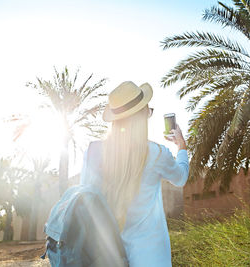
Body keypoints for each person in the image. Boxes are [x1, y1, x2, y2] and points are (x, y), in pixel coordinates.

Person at [79, 81, 189, 267]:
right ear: (142, 116)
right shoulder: (155, 154)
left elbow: (85, 201)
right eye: (148, 111)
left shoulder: (93, 152)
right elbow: (181, 177)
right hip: (151, 258)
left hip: (105, 257)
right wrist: (182, 147)